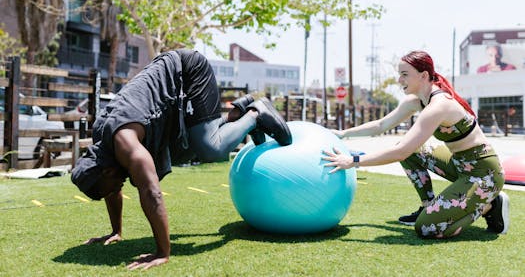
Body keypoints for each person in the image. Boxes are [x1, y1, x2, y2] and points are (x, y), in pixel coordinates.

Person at [71, 49, 292, 270]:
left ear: (107, 172)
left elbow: (152, 193)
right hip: (169, 98)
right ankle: (234, 117)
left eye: (110, 188)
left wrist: (162, 252)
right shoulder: (102, 151)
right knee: (184, 153)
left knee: (210, 149)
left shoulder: (124, 142)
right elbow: (111, 190)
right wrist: (116, 231)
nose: (117, 189)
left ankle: (255, 114)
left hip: (187, 71)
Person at [322, 50, 510, 239]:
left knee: (427, 228)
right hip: (459, 164)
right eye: (399, 74)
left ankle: (488, 205)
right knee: (413, 151)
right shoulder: (417, 101)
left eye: (405, 74)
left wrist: (353, 161)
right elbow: (381, 125)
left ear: (423, 75)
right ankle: (428, 206)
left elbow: (401, 152)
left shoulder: (439, 105)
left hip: (484, 173)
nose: (399, 80)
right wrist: (344, 134)